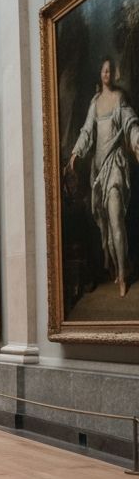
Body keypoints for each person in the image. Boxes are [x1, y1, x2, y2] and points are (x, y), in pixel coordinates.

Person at [67, 57, 139, 298]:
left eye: (110, 70)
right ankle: (118, 266)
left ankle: (123, 275)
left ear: (113, 74)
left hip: (115, 165)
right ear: (100, 73)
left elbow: (130, 124)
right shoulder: (95, 103)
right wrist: (76, 152)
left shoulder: (119, 99)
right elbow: (87, 132)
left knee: (117, 220)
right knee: (105, 226)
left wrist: (137, 142)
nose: (107, 73)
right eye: (104, 69)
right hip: (98, 170)